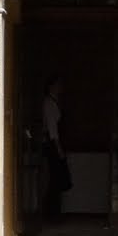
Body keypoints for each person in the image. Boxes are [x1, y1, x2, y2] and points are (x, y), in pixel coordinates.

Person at [41, 76, 72, 221]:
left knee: (56, 180)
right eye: (58, 85)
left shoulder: (53, 103)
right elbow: (53, 130)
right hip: (53, 145)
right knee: (55, 179)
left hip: (54, 144)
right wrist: (59, 148)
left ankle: (53, 213)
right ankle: (51, 214)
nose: (61, 88)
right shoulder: (49, 104)